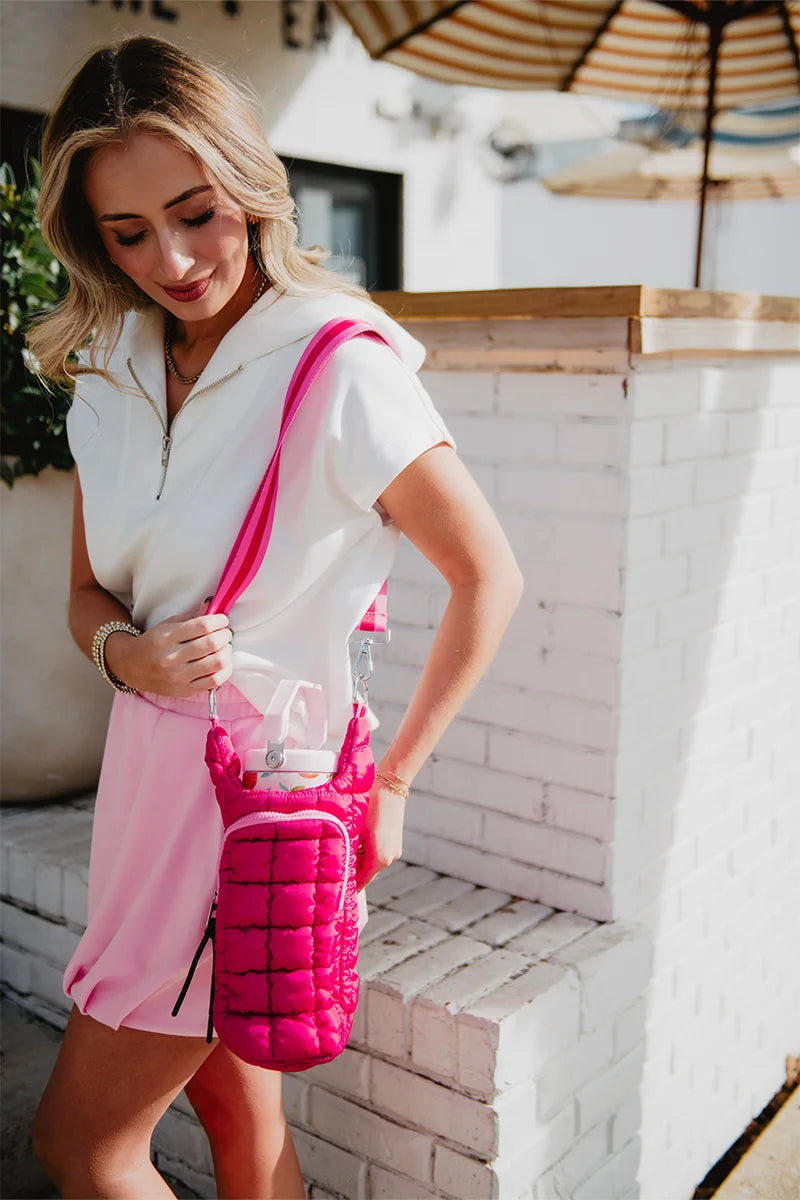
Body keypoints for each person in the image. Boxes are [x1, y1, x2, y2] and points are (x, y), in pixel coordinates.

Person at [27, 33, 524, 1200]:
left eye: (196, 211)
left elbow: (485, 573)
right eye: (128, 232)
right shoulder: (108, 367)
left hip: (254, 804)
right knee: (230, 1111)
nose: (175, 258)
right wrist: (127, 655)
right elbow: (86, 595)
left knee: (82, 1148)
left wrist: (391, 783)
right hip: (148, 781)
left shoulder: (338, 365)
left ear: (248, 187)